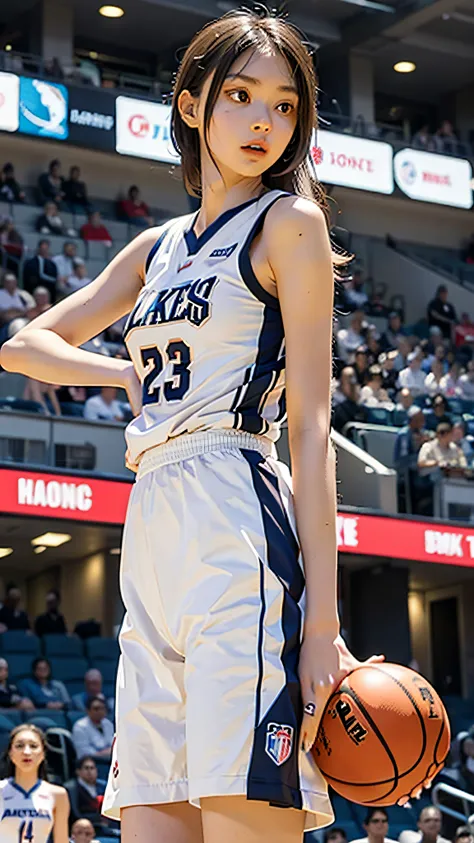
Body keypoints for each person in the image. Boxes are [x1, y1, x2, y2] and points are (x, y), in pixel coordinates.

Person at [0, 10, 405, 841]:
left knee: (242, 820)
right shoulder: (155, 248)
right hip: (150, 524)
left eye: (286, 106)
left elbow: (313, 424)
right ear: (191, 106)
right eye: (243, 98)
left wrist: (323, 630)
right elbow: (23, 347)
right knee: (154, 821)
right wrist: (119, 371)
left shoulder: (290, 225)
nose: (265, 122)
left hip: (236, 512)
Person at [0, 724, 69, 842]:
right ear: (10, 753)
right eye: (19, 746)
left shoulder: (58, 795)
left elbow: (61, 840)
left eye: (33, 746)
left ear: (43, 754)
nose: (26, 752)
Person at [65, 755, 107, 825]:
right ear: (78, 771)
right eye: (86, 768)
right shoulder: (71, 789)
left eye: (92, 768)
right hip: (82, 828)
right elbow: (75, 814)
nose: (90, 771)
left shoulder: (103, 787)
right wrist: (98, 819)